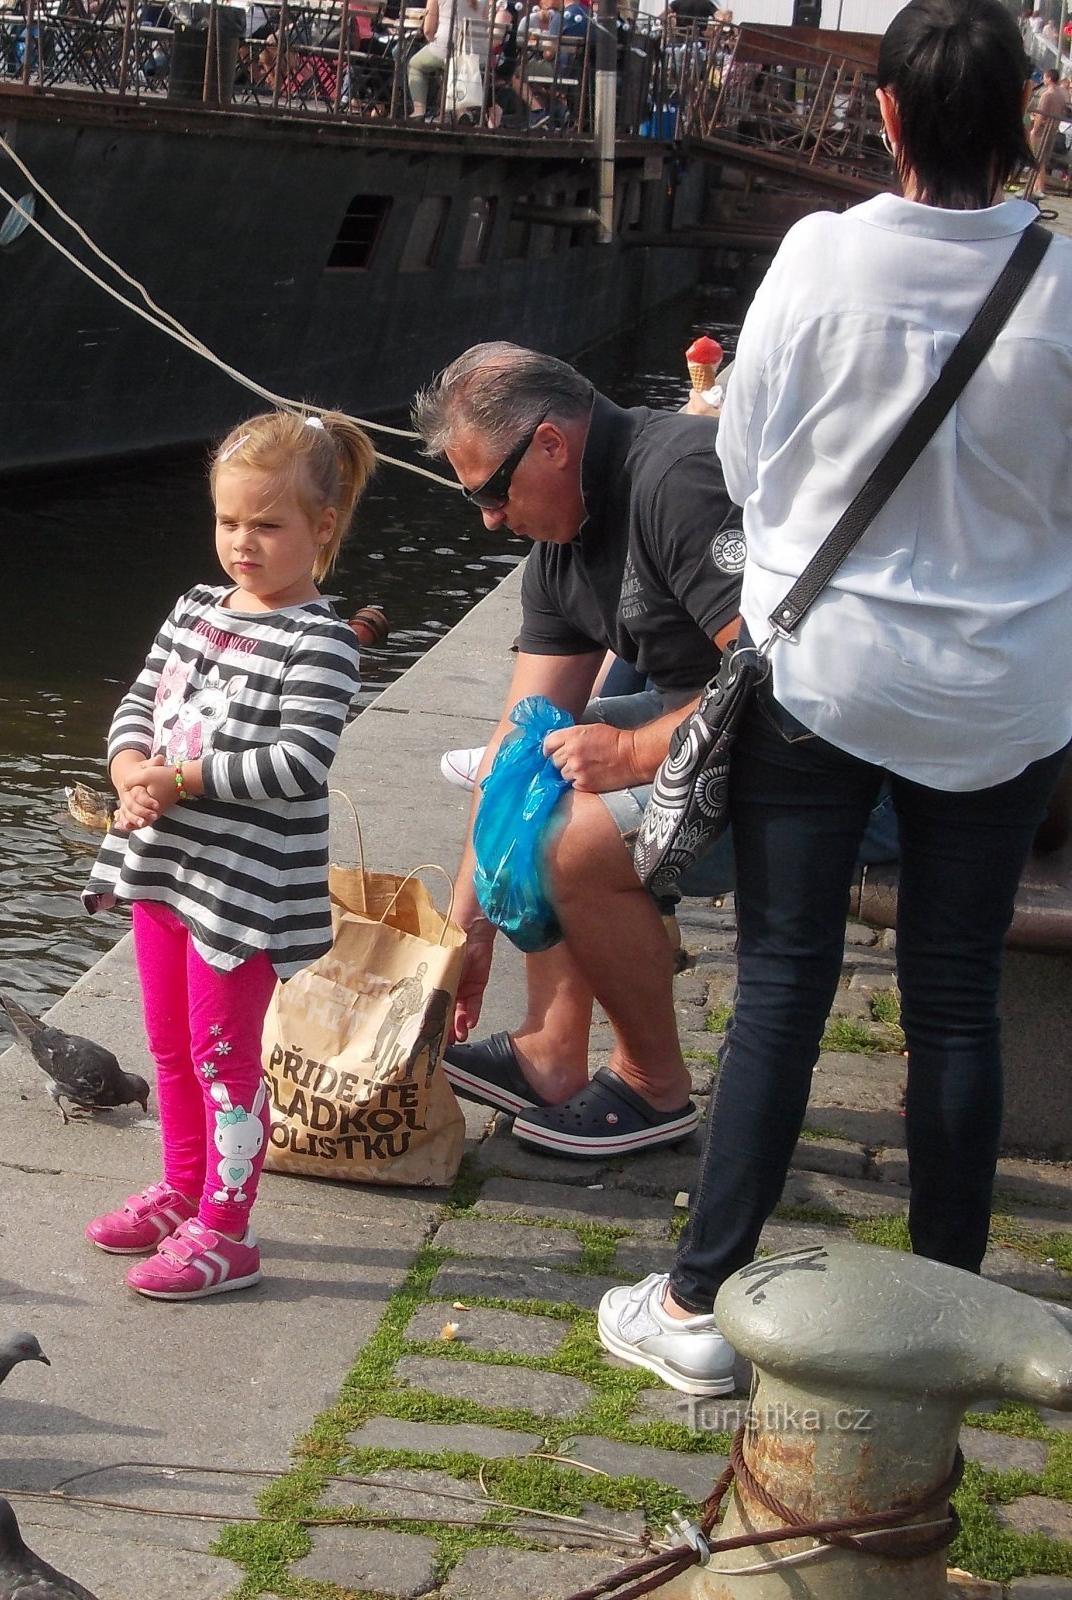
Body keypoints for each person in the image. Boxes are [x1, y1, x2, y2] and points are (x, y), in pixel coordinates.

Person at [598, 0, 1072, 1398]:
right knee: (955, 1001)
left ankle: (695, 1299)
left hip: (829, 676)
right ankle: (948, 1307)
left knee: (785, 986)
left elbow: (740, 458)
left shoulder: (817, 254)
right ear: (1024, 123)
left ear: (887, 120)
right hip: (1005, 699)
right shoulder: (1062, 284)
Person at [411, 344, 742, 1160]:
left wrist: (631, 753)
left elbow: (779, 680)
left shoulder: (678, 482)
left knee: (575, 840)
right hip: (708, 721)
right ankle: (550, 1054)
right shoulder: (559, 539)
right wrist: (466, 929)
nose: (488, 517)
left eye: (491, 491)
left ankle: (651, 1086)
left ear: (552, 444)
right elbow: (518, 737)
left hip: (832, 764)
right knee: (533, 784)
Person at [82, 410, 377, 1300]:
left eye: (267, 525)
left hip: (241, 888)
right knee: (167, 1044)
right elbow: (138, 700)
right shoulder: (194, 609)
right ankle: (181, 1185)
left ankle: (227, 1223)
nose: (241, 544)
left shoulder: (320, 640)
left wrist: (180, 778)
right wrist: (130, 765)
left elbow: (299, 761)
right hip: (165, 866)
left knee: (222, 1054)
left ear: (322, 528)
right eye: (227, 522)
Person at [1024, 67, 1068, 198]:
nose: (1043, 79)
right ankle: (1038, 187)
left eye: (1044, 77)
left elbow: (1041, 115)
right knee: (1044, 160)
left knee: (1038, 160)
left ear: (1049, 78)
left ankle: (1040, 188)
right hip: (1053, 130)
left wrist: (1034, 131)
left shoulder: (1047, 94)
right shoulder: (1062, 95)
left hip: (1042, 131)